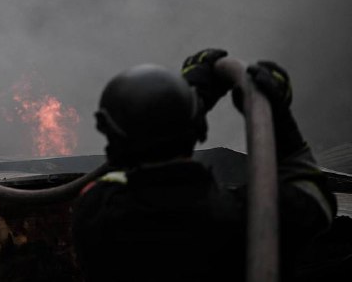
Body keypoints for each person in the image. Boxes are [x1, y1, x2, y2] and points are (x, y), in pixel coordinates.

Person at [72, 49, 336, 281]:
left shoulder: (97, 211)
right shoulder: (246, 219)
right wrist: (279, 118)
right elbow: (313, 193)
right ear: (198, 129)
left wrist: (193, 94)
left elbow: (124, 167)